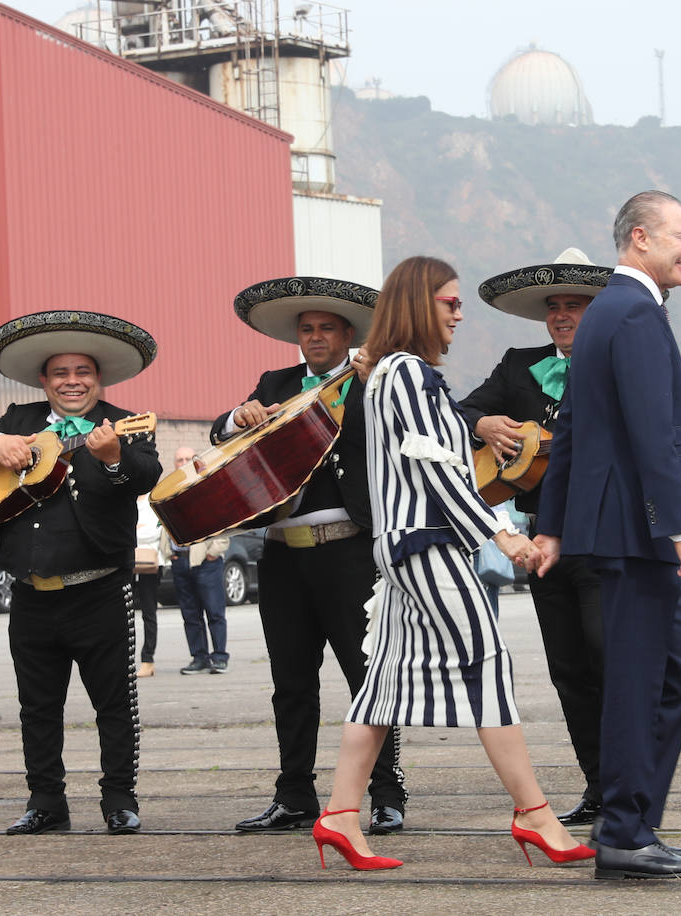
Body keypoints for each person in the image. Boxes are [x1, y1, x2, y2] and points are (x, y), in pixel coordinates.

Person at [314, 256, 593, 872]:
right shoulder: (408, 374)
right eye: (450, 303)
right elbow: (435, 467)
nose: (459, 314)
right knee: (487, 663)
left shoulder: (389, 373)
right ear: (420, 305)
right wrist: (501, 533)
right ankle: (535, 815)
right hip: (427, 544)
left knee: (383, 683)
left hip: (402, 545)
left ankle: (337, 815)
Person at [532, 190, 681, 879]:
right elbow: (653, 434)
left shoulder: (606, 310)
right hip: (635, 534)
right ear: (640, 238)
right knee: (645, 681)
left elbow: (572, 429)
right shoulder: (635, 312)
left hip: (608, 528)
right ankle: (626, 832)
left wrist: (551, 526)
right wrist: (680, 530)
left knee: (674, 671)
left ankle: (632, 819)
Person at [0, 309, 161, 836]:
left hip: (99, 591)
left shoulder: (123, 423)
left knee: (115, 703)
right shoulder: (20, 420)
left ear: (99, 378)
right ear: (44, 381)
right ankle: (46, 801)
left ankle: (118, 799)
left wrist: (112, 459)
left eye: (83, 372)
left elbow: (147, 475)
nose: (73, 382)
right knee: (37, 707)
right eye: (61, 374)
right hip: (30, 592)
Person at [216, 276, 407, 835]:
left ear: (348, 335)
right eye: (307, 329)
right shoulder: (275, 382)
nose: (316, 336)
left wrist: (376, 385)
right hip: (282, 555)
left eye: (327, 328)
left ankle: (387, 792)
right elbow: (219, 434)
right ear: (297, 337)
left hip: (348, 551)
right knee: (291, 681)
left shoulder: (370, 381)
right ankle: (294, 794)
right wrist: (238, 418)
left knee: (367, 675)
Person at [462, 247, 612, 824]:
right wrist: (483, 422)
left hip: (604, 536)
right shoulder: (518, 365)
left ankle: (627, 787)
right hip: (541, 544)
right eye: (554, 307)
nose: (561, 316)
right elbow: (460, 407)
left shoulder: (619, 362)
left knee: (608, 661)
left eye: (574, 305)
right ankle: (597, 787)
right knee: (568, 670)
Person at [166, 446, 230, 675]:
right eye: (178, 459)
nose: (182, 462)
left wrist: (214, 552)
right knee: (190, 615)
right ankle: (199, 657)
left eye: (186, 458)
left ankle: (220, 657)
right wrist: (169, 552)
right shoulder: (169, 487)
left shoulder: (208, 485)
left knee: (214, 612)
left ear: (195, 460)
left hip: (207, 562)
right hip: (180, 561)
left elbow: (224, 521)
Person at [134, 494, 163, 678]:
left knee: (148, 612)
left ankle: (147, 659)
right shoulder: (127, 498)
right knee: (123, 614)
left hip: (150, 564)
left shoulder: (154, 499)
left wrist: (135, 531)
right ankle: (126, 659)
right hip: (127, 562)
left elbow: (155, 532)